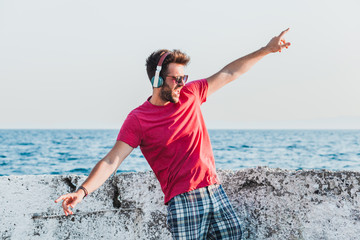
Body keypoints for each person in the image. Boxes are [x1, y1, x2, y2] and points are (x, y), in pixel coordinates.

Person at [55, 28, 291, 239]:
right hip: (183, 202)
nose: (181, 83)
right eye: (175, 79)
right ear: (157, 79)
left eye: (183, 77)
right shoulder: (138, 119)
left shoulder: (192, 94)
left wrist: (267, 50)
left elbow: (229, 73)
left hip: (215, 191)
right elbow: (111, 160)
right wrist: (82, 191)